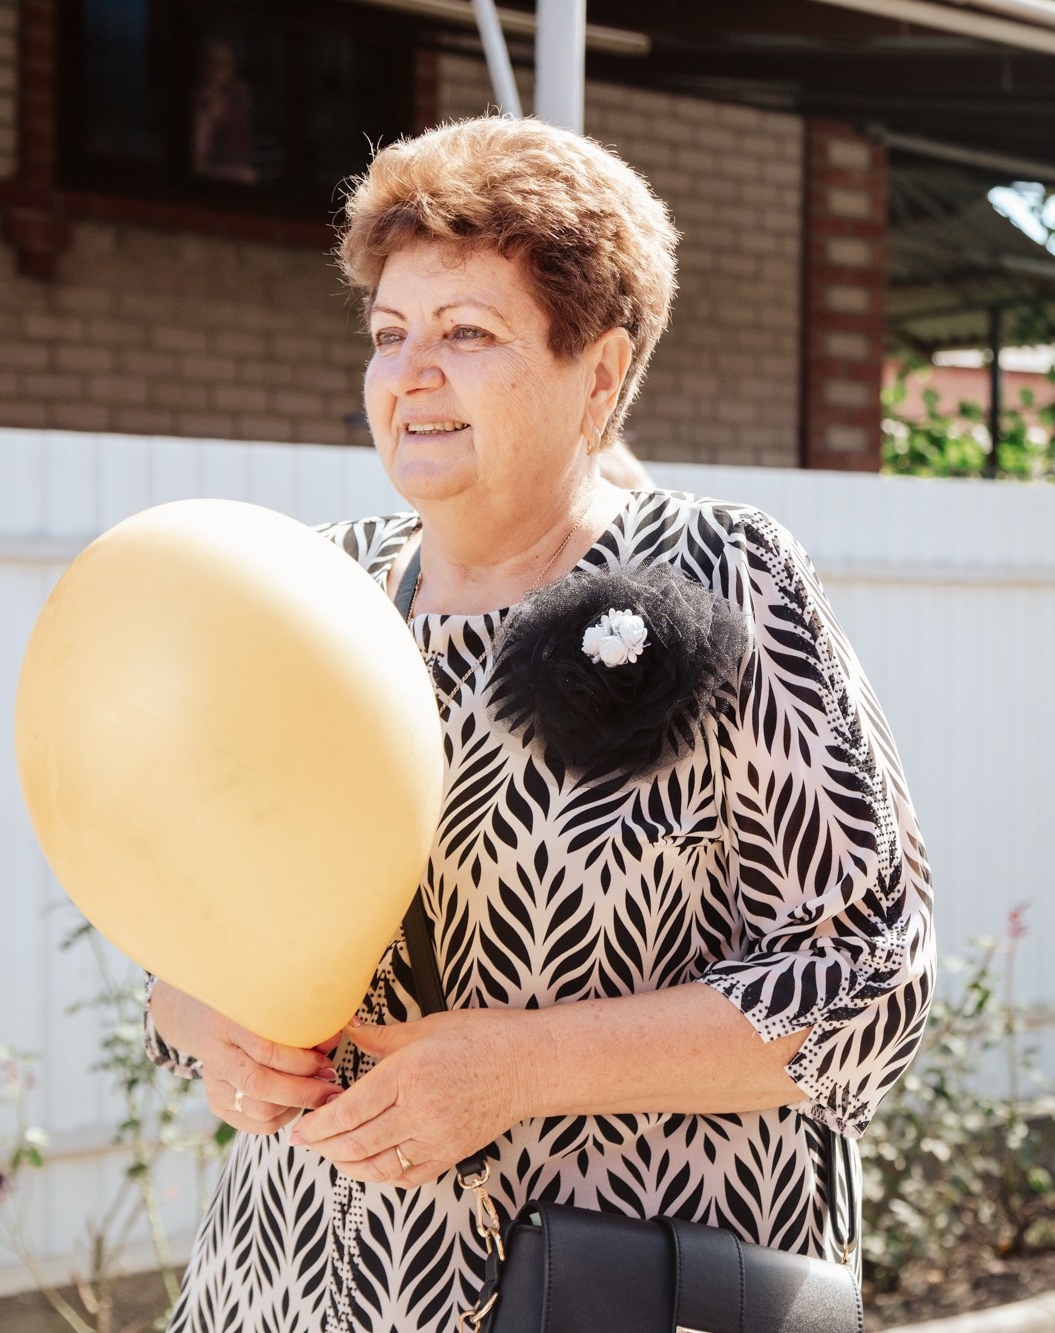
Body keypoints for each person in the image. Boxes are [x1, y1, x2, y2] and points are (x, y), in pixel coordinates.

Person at [144, 115, 935, 1333]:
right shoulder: (311, 590)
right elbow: (189, 924)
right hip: (297, 1281)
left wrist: (514, 1068)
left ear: (600, 374)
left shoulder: (720, 576)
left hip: (613, 1288)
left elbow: (864, 984)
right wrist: (202, 1024)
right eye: (389, 333)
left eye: (467, 334)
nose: (412, 372)